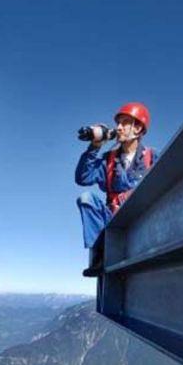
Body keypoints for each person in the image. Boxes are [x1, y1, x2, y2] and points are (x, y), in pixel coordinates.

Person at [75, 103, 157, 276]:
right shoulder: (109, 160)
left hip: (140, 219)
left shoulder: (151, 157)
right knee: (86, 198)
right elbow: (83, 178)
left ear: (138, 128)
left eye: (124, 123)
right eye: (118, 123)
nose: (118, 127)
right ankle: (100, 255)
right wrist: (95, 146)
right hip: (112, 221)